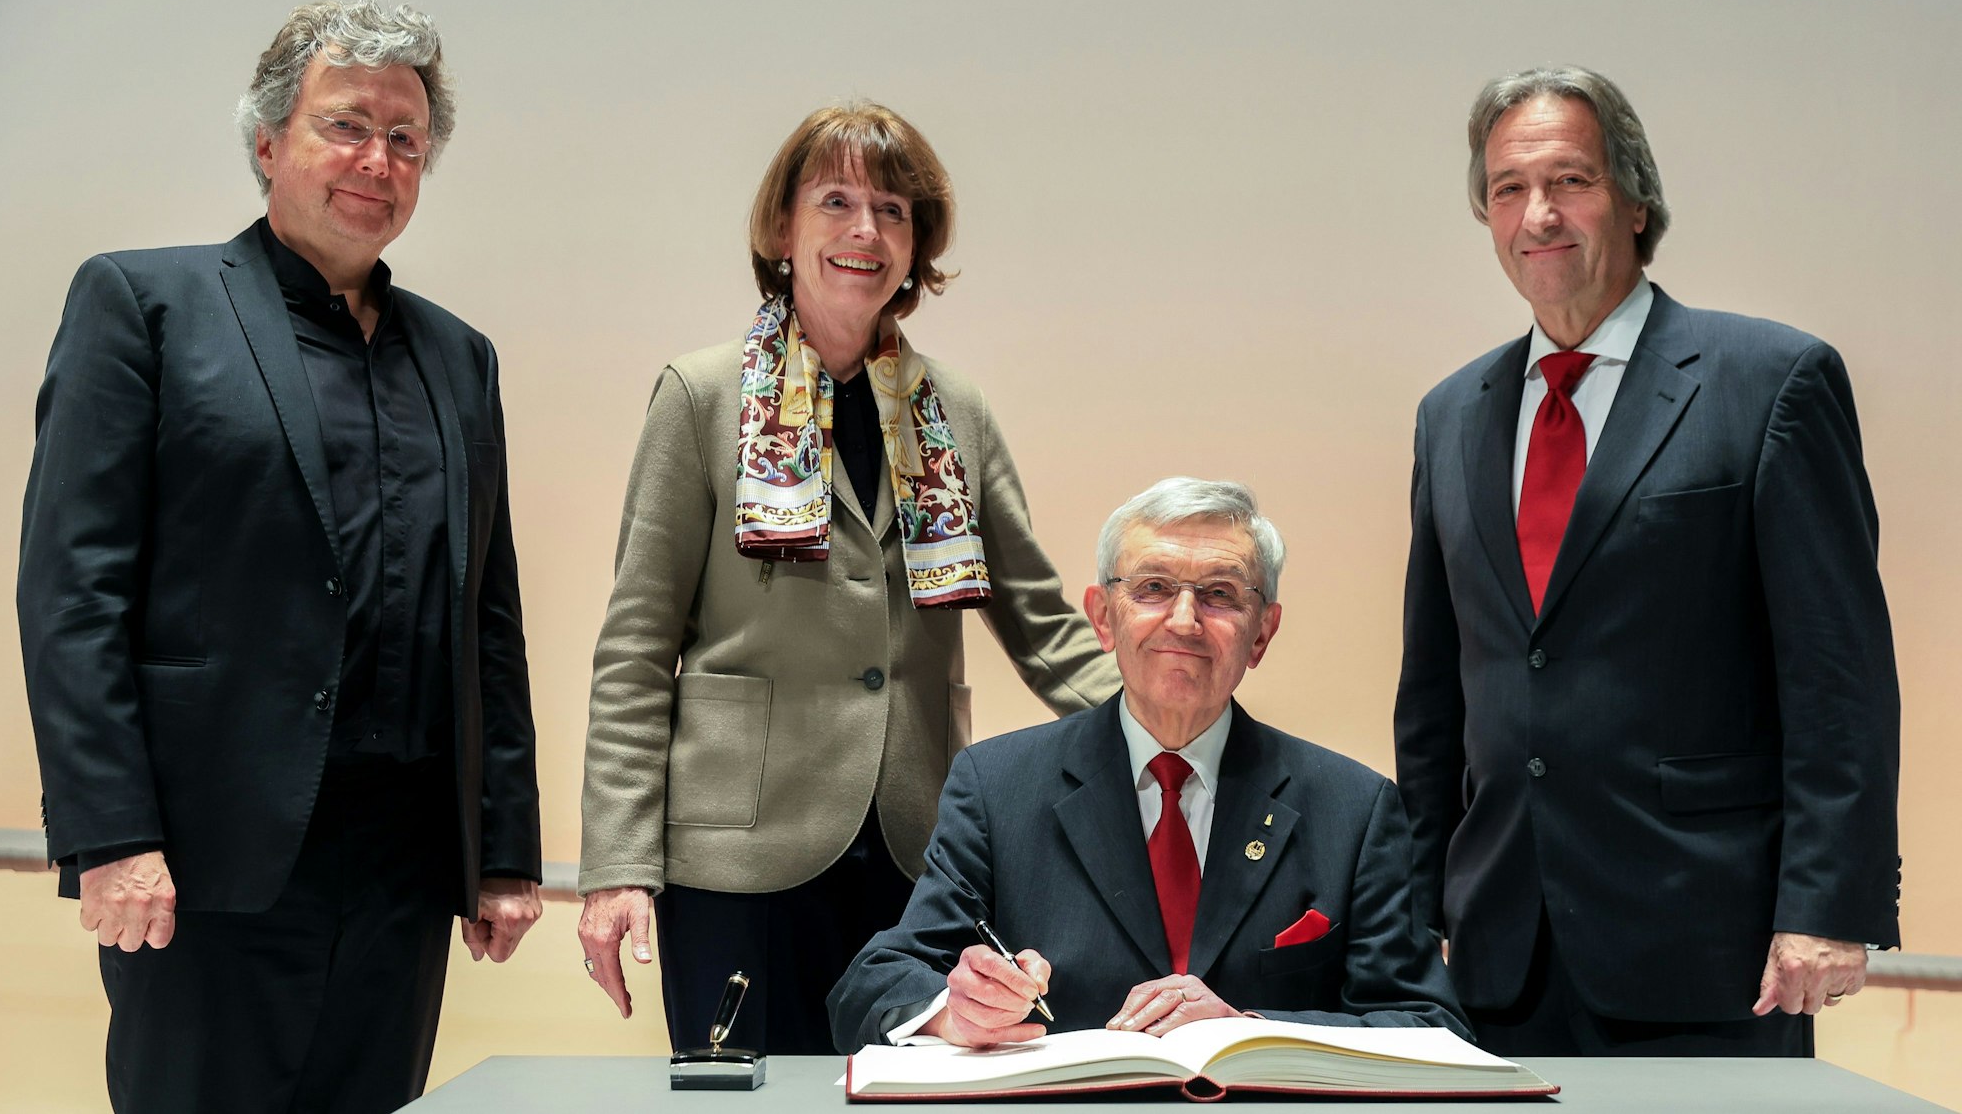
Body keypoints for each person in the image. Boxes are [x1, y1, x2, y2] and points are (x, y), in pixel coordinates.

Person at [15, 0, 542, 1111]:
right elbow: (73, 593)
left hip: (401, 872)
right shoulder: (144, 305)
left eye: (405, 140)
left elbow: (484, 616)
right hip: (207, 867)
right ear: (267, 143)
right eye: (346, 125)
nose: (377, 160)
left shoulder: (459, 357)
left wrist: (500, 847)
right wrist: (111, 835)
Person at [575, 101, 1117, 1055]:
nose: (866, 231)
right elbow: (634, 647)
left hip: (916, 850)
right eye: (836, 201)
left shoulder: (955, 408)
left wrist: (1175, 727)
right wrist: (617, 865)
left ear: (917, 246)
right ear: (783, 229)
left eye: (894, 210)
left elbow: (1041, 622)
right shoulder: (699, 397)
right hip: (738, 856)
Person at [1394, 65, 1899, 1058]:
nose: (1537, 213)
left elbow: (1835, 672)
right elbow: (1433, 700)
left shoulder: (1768, 383)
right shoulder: (1449, 415)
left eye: (1567, 181)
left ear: (1631, 200)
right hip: (1501, 952)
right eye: (1506, 190)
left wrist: (1826, 901)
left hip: (1711, 947)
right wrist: (1415, 913)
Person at [829, 478, 1466, 1049]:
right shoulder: (996, 787)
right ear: (1104, 619)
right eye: (1154, 589)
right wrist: (952, 1011)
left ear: (1262, 632)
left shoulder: (1354, 807)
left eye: (1219, 595)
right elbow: (873, 985)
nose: (1184, 621)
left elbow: (1428, 1024)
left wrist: (1251, 1029)